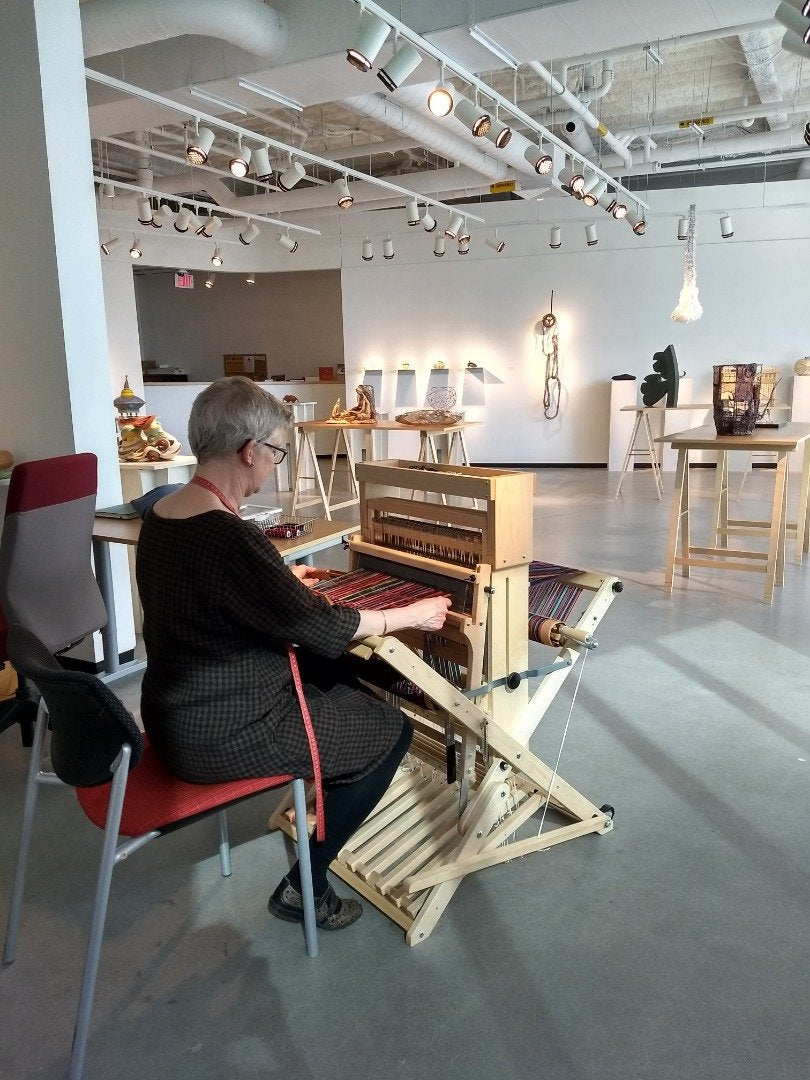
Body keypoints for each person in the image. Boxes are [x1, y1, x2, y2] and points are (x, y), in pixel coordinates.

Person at [136, 376, 451, 932]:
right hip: (222, 733)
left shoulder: (162, 517)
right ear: (249, 450)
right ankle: (307, 883)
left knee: (334, 672)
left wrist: (279, 579)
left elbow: (215, 597)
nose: (275, 467)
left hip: (173, 715)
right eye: (277, 454)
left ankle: (325, 779)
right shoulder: (233, 538)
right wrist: (411, 615)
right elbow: (321, 627)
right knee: (391, 731)